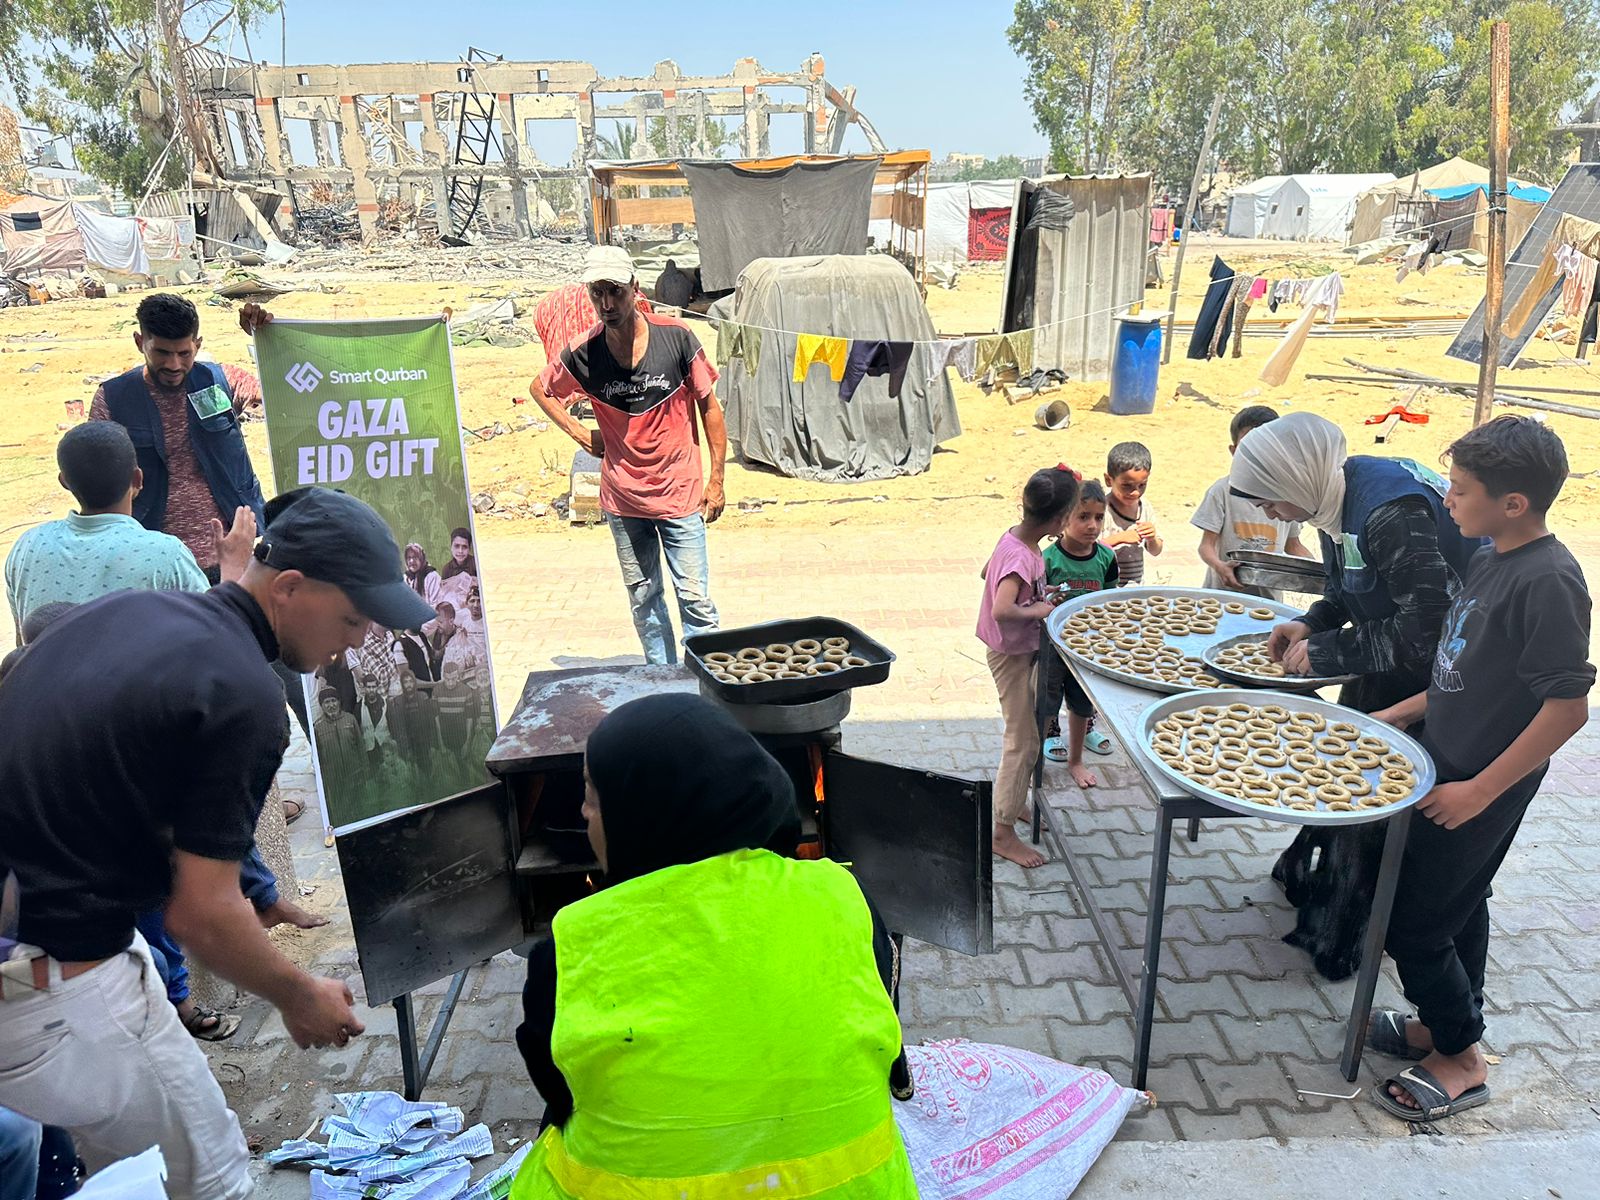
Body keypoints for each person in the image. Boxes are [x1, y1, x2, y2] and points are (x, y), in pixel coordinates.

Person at [0, 488, 436, 1200]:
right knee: (209, 1182)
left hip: (34, 948)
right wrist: (298, 993)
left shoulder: (136, 613)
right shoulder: (244, 695)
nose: (358, 641)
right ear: (289, 587)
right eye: (353, 618)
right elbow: (201, 913)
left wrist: (256, 891)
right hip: (55, 983)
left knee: (128, 1178)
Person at [511, 694, 918, 1198]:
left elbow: (559, 1096)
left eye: (593, 794)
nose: (582, 811)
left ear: (639, 813)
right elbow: (876, 1031)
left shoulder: (573, 945)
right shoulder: (842, 894)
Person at [1366, 417, 1592, 1123]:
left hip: (1481, 782)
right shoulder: (1492, 554)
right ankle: (1447, 1022)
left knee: (1414, 925)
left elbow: (1568, 709)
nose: (1447, 500)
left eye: (1460, 490)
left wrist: (1479, 791)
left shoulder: (1550, 581)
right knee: (1460, 903)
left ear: (1513, 502)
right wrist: (1403, 712)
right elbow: (1466, 667)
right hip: (1446, 764)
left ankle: (1462, 1059)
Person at [1228, 411, 1484, 980]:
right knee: (1343, 777)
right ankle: (1327, 892)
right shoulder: (1330, 498)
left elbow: (1428, 629)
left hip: (1438, 682)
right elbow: (1349, 582)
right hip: (1383, 660)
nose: (1269, 511)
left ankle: (1368, 930)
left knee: (1378, 802)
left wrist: (1328, 653)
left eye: (1270, 498)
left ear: (1296, 476)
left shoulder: (1390, 513)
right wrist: (1314, 622)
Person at [528, 245, 727, 666]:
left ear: (635, 289)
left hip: (680, 495)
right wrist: (581, 433)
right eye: (597, 292)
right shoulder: (584, 352)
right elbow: (541, 389)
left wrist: (717, 480)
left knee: (695, 601)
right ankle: (661, 678)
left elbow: (710, 408)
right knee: (644, 599)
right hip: (624, 501)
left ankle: (706, 682)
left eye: (615, 291)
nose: (606, 304)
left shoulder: (676, 338)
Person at [5, 422, 256, 641]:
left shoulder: (27, 546)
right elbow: (221, 638)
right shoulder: (164, 555)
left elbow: (23, 642)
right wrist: (233, 566)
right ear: (137, 479)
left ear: (64, 482)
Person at [977, 467, 1078, 869]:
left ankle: (1014, 800)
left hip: (1018, 652)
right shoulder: (1022, 555)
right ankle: (1001, 834)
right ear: (1059, 519)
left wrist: (1037, 592)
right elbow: (1002, 609)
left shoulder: (1016, 538)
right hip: (1011, 656)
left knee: (1029, 736)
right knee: (1023, 743)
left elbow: (987, 572)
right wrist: (1038, 609)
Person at [1041, 478, 1119, 784]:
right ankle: (1037, 757)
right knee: (1046, 702)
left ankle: (1076, 761)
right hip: (1051, 646)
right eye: (1083, 516)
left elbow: (1110, 599)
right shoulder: (1048, 558)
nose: (1092, 525)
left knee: (1082, 703)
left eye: (1099, 517)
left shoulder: (1106, 558)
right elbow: (1035, 599)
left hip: (1087, 648)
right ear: (1064, 519)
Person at [1192, 405, 1314, 598]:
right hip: (1221, 598)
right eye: (1247, 447)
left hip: (1269, 601)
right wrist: (1220, 566)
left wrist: (1319, 571)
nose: (1256, 455)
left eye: (1265, 446)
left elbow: (1293, 546)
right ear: (1234, 451)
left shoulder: (1287, 496)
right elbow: (1206, 546)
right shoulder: (1221, 491)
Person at [1102, 441, 1163, 586]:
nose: (1135, 492)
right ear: (1109, 480)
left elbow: (1156, 551)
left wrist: (1152, 538)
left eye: (1142, 485)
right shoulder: (1101, 511)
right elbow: (1088, 549)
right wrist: (1119, 538)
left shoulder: (1145, 507)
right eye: (1126, 486)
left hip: (1135, 587)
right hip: (1106, 587)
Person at [388, 667, 441, 777]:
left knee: (430, 775)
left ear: (414, 682)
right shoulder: (398, 702)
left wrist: (433, 745)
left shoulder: (423, 697)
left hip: (425, 745)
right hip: (409, 747)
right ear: (402, 684)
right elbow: (399, 728)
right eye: (405, 682)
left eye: (410, 681)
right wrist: (405, 750)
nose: (408, 685)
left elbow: (431, 723)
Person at [436, 527, 478, 608]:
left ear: (469, 549)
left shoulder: (475, 563)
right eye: (456, 546)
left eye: (464, 547)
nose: (460, 551)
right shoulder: (447, 569)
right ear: (451, 547)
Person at [404, 542, 443, 607]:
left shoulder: (432, 576)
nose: (411, 561)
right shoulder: (406, 578)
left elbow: (436, 604)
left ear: (421, 559)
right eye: (409, 558)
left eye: (415, 557)